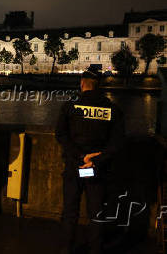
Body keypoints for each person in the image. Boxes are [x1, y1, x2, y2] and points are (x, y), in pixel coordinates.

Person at [55, 68, 125, 254]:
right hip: (97, 169)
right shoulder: (112, 109)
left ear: (82, 83)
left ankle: (66, 249)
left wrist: (80, 156)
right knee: (96, 215)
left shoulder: (70, 106)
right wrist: (97, 160)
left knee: (70, 213)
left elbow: (61, 134)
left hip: (74, 166)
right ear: (98, 85)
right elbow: (117, 142)